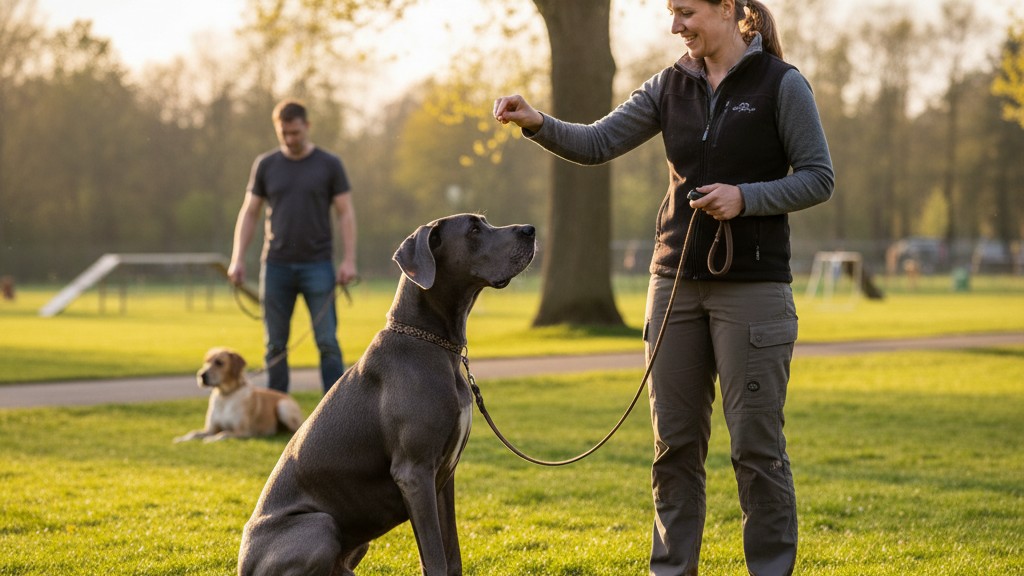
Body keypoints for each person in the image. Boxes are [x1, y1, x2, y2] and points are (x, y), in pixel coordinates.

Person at [493, 0, 833, 574]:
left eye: (687, 11)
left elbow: (818, 177)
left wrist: (746, 198)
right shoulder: (667, 85)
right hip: (673, 285)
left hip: (753, 290)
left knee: (756, 450)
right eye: (672, 12)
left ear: (727, 8)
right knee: (673, 448)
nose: (676, 26)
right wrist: (537, 122)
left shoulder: (782, 85)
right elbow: (597, 143)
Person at [228, 98, 358, 395]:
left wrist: (349, 260)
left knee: (327, 342)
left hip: (318, 265)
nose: (289, 139)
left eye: (295, 133)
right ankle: (276, 408)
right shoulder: (266, 165)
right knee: (274, 344)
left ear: (307, 126)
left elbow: (345, 213)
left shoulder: (329, 164)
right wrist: (238, 258)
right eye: (283, 133)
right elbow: (250, 212)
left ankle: (335, 410)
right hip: (276, 265)